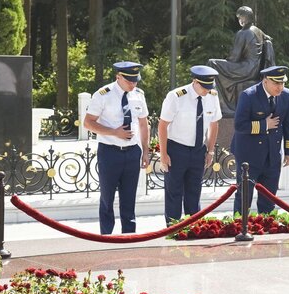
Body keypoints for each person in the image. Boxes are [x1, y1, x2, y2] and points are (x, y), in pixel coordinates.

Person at [83, 62, 150, 234]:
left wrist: (145, 151)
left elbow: (143, 124)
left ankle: (129, 236)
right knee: (107, 198)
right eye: (129, 80)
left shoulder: (138, 95)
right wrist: (114, 132)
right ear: (118, 77)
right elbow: (88, 123)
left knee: (129, 199)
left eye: (135, 80)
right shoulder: (103, 94)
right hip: (110, 152)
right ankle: (106, 237)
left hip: (132, 152)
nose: (133, 84)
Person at [157, 65, 223, 225]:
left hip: (198, 150)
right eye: (204, 87)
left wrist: (210, 151)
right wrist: (164, 154)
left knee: (194, 192)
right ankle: (172, 228)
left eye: (209, 87)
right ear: (195, 81)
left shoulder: (212, 96)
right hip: (176, 149)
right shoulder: (176, 96)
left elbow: (214, 124)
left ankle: (194, 228)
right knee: (174, 192)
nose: (207, 90)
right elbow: (162, 125)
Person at [231, 65, 289, 214]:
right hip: (249, 155)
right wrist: (264, 125)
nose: (280, 87)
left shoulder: (286, 95)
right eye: (276, 83)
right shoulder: (249, 95)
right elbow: (239, 125)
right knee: (244, 197)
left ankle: (266, 228)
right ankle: (239, 227)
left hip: (272, 154)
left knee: (269, 197)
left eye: (282, 83)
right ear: (265, 81)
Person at [208, 6, 274, 116]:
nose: (239, 21)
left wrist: (226, 61)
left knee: (213, 63)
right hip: (256, 69)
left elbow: (234, 57)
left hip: (245, 69)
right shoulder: (258, 31)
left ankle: (223, 107)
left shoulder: (243, 33)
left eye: (239, 18)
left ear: (243, 19)